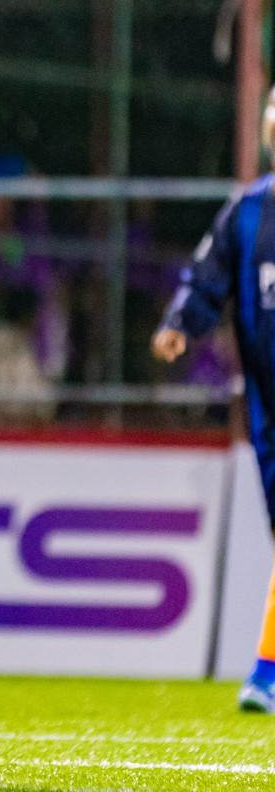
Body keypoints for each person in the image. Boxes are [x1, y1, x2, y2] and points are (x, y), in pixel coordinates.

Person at [154, 91, 275, 713]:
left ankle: (266, 672)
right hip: (268, 401)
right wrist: (182, 321)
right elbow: (206, 279)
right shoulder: (248, 214)